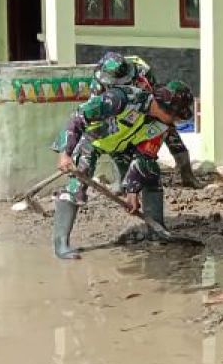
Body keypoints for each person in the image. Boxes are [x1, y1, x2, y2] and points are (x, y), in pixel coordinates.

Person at [51, 80, 195, 259]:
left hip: (123, 147)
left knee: (151, 173)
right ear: (161, 106)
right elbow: (79, 116)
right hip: (92, 141)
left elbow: (145, 156)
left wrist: (132, 191)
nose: (176, 120)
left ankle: (156, 229)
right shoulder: (122, 98)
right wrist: (65, 152)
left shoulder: (162, 126)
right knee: (77, 185)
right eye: (175, 115)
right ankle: (61, 243)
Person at [90, 52, 200, 188]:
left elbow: (158, 97)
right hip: (122, 117)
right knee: (120, 144)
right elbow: (97, 112)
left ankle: (186, 174)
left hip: (149, 108)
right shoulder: (98, 85)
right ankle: (125, 181)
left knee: (168, 130)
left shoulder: (143, 74)